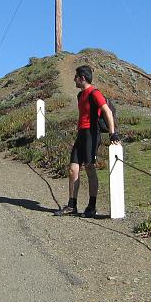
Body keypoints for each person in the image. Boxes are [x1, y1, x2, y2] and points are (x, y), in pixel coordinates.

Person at [54, 64, 120, 218]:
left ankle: (91, 206)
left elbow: (107, 111)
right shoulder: (80, 95)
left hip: (92, 133)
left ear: (82, 78)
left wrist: (113, 134)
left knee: (90, 169)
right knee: (73, 169)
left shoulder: (94, 93)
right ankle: (72, 205)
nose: (74, 79)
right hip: (81, 134)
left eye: (76, 76)